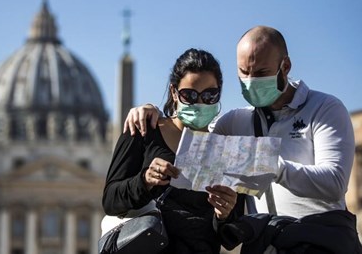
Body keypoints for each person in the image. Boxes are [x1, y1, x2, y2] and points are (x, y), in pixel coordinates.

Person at [123, 26, 360, 251]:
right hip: (263, 243)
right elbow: (194, 131)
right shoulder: (234, 122)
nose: (251, 81)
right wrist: (150, 109)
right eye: (244, 73)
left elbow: (335, 183)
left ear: (285, 66)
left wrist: (272, 167)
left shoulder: (324, 108)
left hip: (318, 241)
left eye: (261, 73)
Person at [102, 48, 245, 254]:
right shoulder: (143, 129)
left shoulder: (227, 150)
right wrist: (145, 180)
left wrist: (226, 213)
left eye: (209, 95)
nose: (199, 103)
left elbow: (229, 239)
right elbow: (110, 200)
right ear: (174, 93)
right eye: (189, 95)